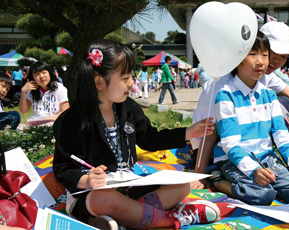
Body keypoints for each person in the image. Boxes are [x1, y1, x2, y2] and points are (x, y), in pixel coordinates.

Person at [52, 39, 219, 230]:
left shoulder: (128, 109)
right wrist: (86, 180)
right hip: (91, 195)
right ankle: (170, 220)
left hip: (129, 188)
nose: (132, 83)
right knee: (106, 199)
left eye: (131, 76)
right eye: (125, 78)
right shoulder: (72, 120)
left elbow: (151, 139)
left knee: (182, 185)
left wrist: (188, 132)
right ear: (98, 81)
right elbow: (63, 168)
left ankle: (126, 218)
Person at [191, 21, 289, 196]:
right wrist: (200, 174)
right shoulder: (224, 87)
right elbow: (209, 132)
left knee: (286, 102)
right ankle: (218, 178)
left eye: (283, 56)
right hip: (214, 147)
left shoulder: (264, 77)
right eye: (273, 53)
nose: (278, 60)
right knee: (261, 193)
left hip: (256, 151)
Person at [209, 31, 289, 205]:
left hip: (267, 158)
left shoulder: (269, 95)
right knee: (263, 195)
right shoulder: (225, 95)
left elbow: (282, 137)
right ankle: (218, 181)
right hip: (234, 159)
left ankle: (267, 186)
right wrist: (254, 170)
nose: (261, 61)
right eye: (253, 54)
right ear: (237, 59)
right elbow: (230, 144)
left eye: (265, 55)